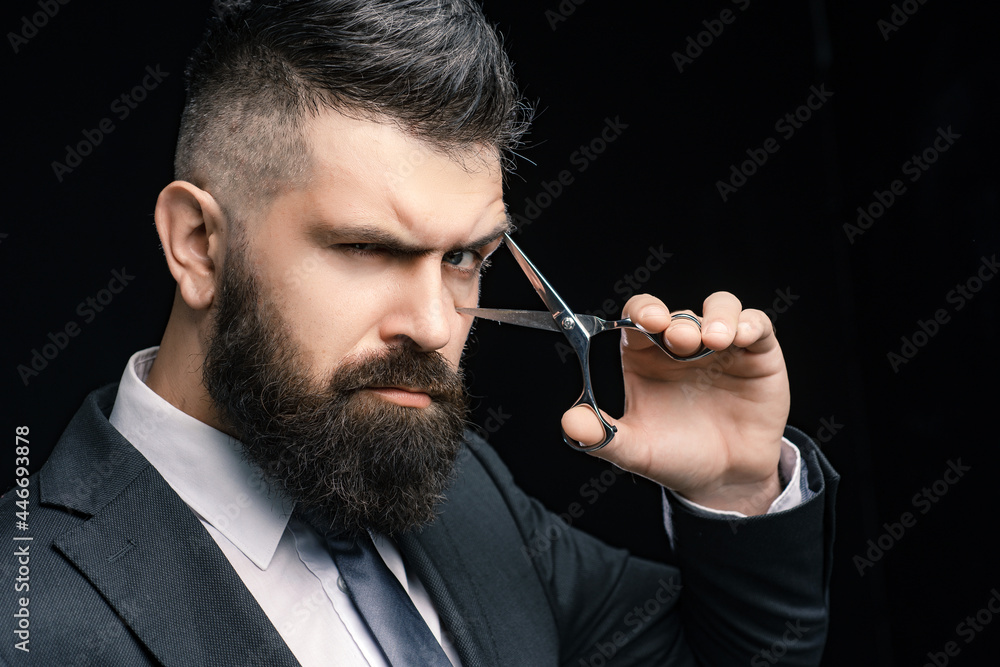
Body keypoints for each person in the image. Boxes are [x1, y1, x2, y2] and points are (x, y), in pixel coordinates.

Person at [1, 1, 838, 665]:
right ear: (197, 244)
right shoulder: (31, 614)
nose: (437, 326)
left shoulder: (466, 493)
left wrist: (733, 487)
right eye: (367, 248)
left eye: (467, 257)